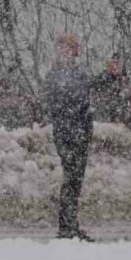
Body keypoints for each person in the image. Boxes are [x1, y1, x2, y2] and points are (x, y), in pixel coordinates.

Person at [47, 33, 94, 241]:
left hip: (81, 133)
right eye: (65, 47)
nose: (69, 52)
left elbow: (90, 87)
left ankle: (71, 226)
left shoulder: (78, 73)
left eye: (72, 48)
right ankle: (66, 228)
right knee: (71, 179)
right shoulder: (57, 74)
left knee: (75, 181)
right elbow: (62, 100)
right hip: (67, 133)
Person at [92, 52, 131, 127]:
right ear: (109, 64)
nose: (116, 66)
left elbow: (128, 97)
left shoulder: (125, 80)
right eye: (114, 62)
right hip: (105, 118)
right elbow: (95, 92)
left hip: (120, 119)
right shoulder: (103, 78)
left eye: (118, 63)